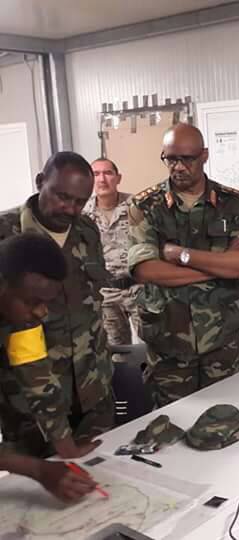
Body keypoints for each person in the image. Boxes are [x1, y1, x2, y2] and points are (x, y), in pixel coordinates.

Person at [129, 123, 239, 407]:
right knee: (172, 418)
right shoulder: (146, 206)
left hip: (220, 336)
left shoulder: (232, 205)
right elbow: (145, 270)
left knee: (224, 413)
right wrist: (218, 266)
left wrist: (182, 255)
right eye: (170, 159)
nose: (178, 167)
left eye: (187, 159)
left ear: (204, 155)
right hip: (167, 338)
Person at [0, 152, 113, 459]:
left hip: (91, 390)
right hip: (29, 407)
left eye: (80, 201)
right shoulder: (5, 233)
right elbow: (27, 354)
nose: (71, 208)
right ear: (41, 182)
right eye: (62, 197)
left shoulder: (87, 231)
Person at [0, 233, 99, 501]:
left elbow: (38, 381)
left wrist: (68, 454)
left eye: (47, 302)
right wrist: (38, 470)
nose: (42, 313)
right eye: (33, 302)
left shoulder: (22, 318)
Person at [84, 158, 139, 361]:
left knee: (155, 349)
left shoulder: (136, 206)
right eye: (95, 174)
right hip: (106, 294)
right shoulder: (82, 214)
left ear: (118, 178)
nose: (102, 179)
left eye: (107, 173)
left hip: (139, 289)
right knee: (117, 356)